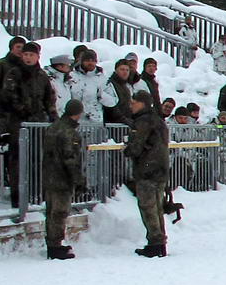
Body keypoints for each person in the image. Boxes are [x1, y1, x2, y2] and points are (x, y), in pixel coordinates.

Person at [0, 42, 58, 208]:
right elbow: (9, 95)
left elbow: (50, 98)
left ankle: (37, 193)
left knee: (37, 159)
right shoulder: (14, 73)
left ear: (37, 57)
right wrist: (22, 110)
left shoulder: (42, 75)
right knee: (18, 159)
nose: (27, 58)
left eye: (31, 55)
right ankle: (17, 196)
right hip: (19, 123)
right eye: (25, 54)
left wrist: (52, 115)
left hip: (38, 123)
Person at [124, 89, 170, 257]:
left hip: (147, 169)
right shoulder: (158, 120)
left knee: (147, 206)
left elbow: (136, 147)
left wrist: (127, 149)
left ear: (141, 103)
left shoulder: (142, 122)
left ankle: (155, 242)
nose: (131, 105)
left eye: (133, 102)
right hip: (161, 168)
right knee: (157, 207)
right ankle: (160, 243)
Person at [42, 99, 86, 259]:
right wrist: (78, 180)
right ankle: (55, 246)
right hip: (62, 177)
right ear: (78, 113)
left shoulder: (53, 128)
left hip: (49, 175)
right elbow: (70, 158)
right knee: (59, 212)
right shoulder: (69, 132)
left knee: (51, 211)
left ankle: (51, 243)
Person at [68, 50, 117, 124]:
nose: (90, 63)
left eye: (93, 60)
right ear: (82, 61)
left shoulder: (103, 78)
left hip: (95, 122)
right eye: (87, 60)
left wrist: (100, 95)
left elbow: (113, 101)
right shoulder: (71, 76)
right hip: (75, 121)